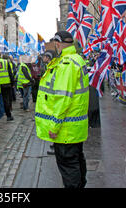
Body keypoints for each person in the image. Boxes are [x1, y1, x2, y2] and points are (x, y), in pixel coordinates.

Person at [35, 31, 90, 188]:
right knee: (77, 160)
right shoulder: (77, 59)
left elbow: (63, 98)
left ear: (58, 44)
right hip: (76, 125)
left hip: (66, 127)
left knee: (68, 165)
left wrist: (54, 125)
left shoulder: (66, 64)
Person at [0, 52, 15, 121]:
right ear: (1, 55)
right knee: (6, 100)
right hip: (6, 83)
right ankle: (8, 115)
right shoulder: (5, 62)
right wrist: (13, 83)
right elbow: (10, 73)